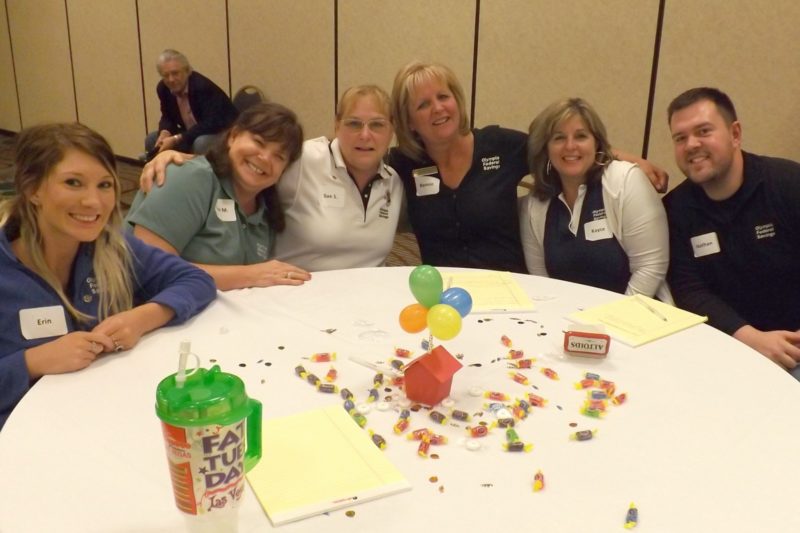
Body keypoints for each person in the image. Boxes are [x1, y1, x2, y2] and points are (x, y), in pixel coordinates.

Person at [0, 123, 216, 430]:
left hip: (105, 417)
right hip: (24, 440)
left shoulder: (111, 246)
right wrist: (31, 362)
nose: (94, 202)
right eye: (73, 182)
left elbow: (196, 281)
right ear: (33, 189)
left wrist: (142, 318)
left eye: (104, 185)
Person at [388, 61, 669, 273]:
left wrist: (628, 159)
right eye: (423, 104)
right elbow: (358, 161)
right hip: (441, 298)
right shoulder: (404, 163)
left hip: (509, 293)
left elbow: (563, 150)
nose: (438, 108)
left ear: (457, 100)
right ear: (409, 121)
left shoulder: (498, 145)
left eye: (443, 96)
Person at [139, 85, 404, 272]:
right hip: (293, 298)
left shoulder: (394, 182)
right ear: (336, 125)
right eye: (354, 124)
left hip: (362, 304)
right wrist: (179, 161)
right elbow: (233, 169)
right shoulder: (303, 160)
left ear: (392, 130)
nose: (365, 135)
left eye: (377, 125)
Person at [663, 87, 800, 378]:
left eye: (703, 131)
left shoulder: (788, 184)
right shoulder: (676, 209)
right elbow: (689, 289)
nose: (691, 145)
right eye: (680, 138)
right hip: (725, 346)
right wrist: (754, 340)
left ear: (735, 134)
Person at [126, 102, 312, 290]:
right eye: (259, 142)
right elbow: (148, 269)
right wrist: (249, 275)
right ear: (233, 136)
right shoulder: (190, 179)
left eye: (279, 156)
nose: (265, 157)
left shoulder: (265, 213)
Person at [520, 98, 669, 297]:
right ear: (546, 148)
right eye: (559, 138)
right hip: (567, 320)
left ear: (596, 142)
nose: (570, 146)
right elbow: (540, 282)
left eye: (581, 136)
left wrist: (617, 322)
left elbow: (650, 267)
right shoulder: (535, 205)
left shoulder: (625, 181)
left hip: (635, 316)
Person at [145, 49, 238, 156]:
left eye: (175, 73)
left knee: (200, 143)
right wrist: (165, 133)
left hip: (221, 132)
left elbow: (210, 124)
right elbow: (167, 116)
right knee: (152, 139)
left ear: (187, 71)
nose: (171, 79)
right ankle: (165, 171)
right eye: (166, 75)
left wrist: (177, 138)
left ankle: (198, 172)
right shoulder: (163, 89)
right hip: (193, 132)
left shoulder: (202, 87)